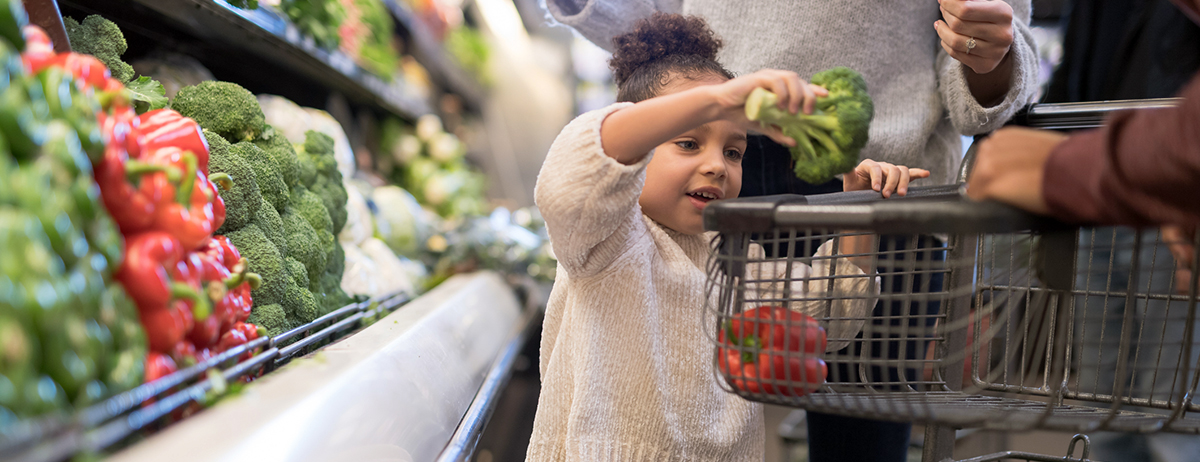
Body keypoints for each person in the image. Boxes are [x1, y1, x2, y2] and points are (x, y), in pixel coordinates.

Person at [527, 14, 927, 461]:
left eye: (733, 151)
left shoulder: (734, 258)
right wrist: (716, 100)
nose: (718, 165)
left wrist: (861, 208)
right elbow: (572, 177)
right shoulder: (608, 240)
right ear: (641, 147)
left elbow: (829, 316)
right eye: (688, 143)